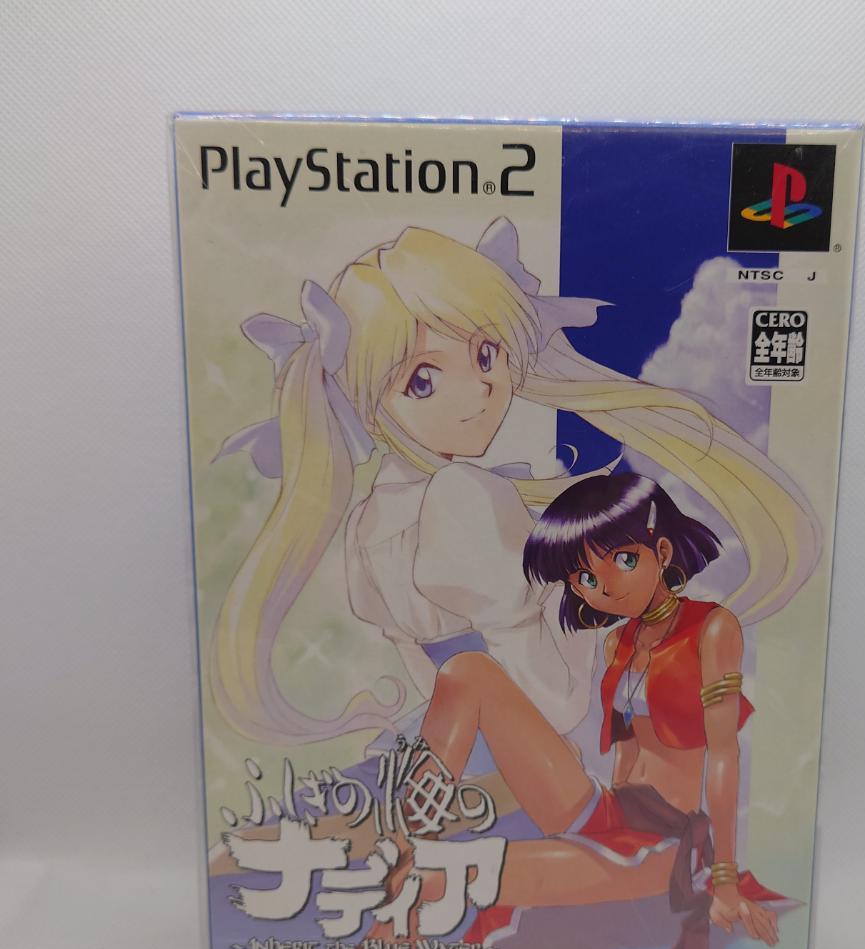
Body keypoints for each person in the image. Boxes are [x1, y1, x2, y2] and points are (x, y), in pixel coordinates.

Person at [210, 218, 821, 766]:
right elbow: (552, 700)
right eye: (422, 380)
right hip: (539, 745)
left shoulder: (368, 523)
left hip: (465, 742)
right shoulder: (460, 498)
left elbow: (426, 669)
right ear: (365, 404)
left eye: (486, 354)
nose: (481, 388)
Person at [323, 473, 789, 949]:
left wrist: (724, 880)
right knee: (467, 671)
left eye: (624, 560)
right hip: (607, 811)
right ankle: (408, 834)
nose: (604, 587)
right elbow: (626, 753)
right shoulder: (619, 641)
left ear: (662, 551)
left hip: (662, 845)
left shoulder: (712, 629)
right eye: (584, 577)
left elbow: (724, 756)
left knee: (435, 878)